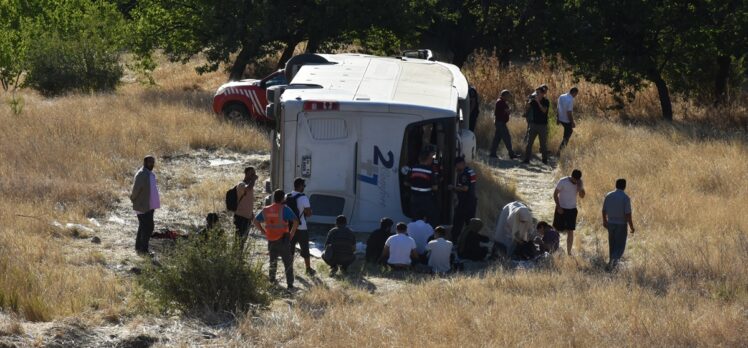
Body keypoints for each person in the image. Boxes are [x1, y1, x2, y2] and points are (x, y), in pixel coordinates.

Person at [253, 190, 299, 290]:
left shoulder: (266, 210)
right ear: (283, 198)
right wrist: (291, 234)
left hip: (271, 240)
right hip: (283, 239)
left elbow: (255, 221)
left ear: (274, 198)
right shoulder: (284, 209)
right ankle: (290, 285)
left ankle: (272, 282)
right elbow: (296, 221)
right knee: (287, 262)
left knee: (272, 262)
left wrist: (263, 231)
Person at [130, 155, 160, 255]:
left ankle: (138, 247)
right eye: (150, 162)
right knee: (148, 227)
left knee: (143, 226)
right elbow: (135, 190)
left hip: (149, 205)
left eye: (153, 162)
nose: (152, 164)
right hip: (143, 206)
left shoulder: (149, 173)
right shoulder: (142, 174)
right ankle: (144, 250)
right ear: (145, 162)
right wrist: (133, 199)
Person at [602, 179, 635, 271]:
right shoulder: (625, 198)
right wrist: (631, 226)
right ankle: (613, 264)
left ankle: (611, 263)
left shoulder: (608, 195)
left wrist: (605, 221)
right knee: (620, 246)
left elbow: (604, 210)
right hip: (621, 224)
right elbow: (628, 214)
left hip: (610, 223)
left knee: (612, 245)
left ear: (616, 185)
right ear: (624, 186)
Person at [286, 178, 315, 275]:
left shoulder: (287, 196)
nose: (304, 188)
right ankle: (308, 269)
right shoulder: (304, 198)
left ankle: (290, 268)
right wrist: (309, 212)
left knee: (291, 248)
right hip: (301, 226)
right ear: (300, 186)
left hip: (289, 226)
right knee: (305, 248)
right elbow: (308, 213)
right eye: (304, 186)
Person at [553, 169, 586, 255]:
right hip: (561, 208)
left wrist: (580, 188)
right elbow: (555, 194)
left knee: (570, 231)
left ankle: (569, 252)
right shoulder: (563, 181)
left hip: (572, 210)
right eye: (574, 180)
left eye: (577, 180)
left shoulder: (579, 182)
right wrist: (558, 206)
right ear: (571, 176)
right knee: (556, 230)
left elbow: (582, 196)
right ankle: (554, 249)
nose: (575, 181)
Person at [450, 156, 477, 243]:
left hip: (464, 202)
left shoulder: (464, 174)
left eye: (456, 165)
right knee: (470, 224)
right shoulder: (471, 171)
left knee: (457, 222)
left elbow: (465, 188)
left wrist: (453, 188)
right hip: (472, 201)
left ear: (461, 164)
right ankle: (470, 242)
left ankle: (454, 241)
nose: (456, 168)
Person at [406, 150, 438, 223]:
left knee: (416, 219)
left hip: (414, 198)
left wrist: (415, 185)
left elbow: (406, 183)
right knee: (431, 218)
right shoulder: (430, 170)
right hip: (426, 199)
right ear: (428, 159)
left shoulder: (412, 168)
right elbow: (435, 187)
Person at [523, 85, 550, 164]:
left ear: (542, 93)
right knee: (529, 143)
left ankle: (544, 160)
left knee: (543, 144)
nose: (536, 94)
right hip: (533, 124)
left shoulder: (546, 101)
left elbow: (544, 111)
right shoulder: (533, 101)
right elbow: (526, 108)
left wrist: (538, 102)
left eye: (538, 93)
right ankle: (526, 159)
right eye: (536, 92)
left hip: (542, 125)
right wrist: (527, 101)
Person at [489, 90, 518, 159]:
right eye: (508, 96)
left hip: (499, 122)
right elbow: (507, 111)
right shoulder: (500, 102)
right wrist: (510, 109)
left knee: (497, 139)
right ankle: (511, 154)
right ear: (504, 96)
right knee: (507, 138)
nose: (508, 97)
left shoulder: (501, 102)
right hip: (500, 123)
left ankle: (493, 153)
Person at [234, 167, 258, 251]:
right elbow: (248, 189)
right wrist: (254, 180)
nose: (253, 175)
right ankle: (236, 257)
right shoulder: (241, 185)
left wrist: (251, 213)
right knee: (239, 239)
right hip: (240, 216)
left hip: (247, 217)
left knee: (243, 239)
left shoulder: (250, 186)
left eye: (254, 174)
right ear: (246, 173)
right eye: (252, 174)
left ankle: (239, 257)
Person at [557, 87, 579, 152]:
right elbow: (569, 112)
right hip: (566, 120)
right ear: (574, 92)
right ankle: (560, 150)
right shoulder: (570, 99)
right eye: (576, 94)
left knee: (567, 132)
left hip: (561, 118)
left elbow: (558, 107)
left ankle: (562, 149)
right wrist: (572, 122)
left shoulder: (561, 96)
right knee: (569, 133)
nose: (576, 95)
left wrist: (557, 118)